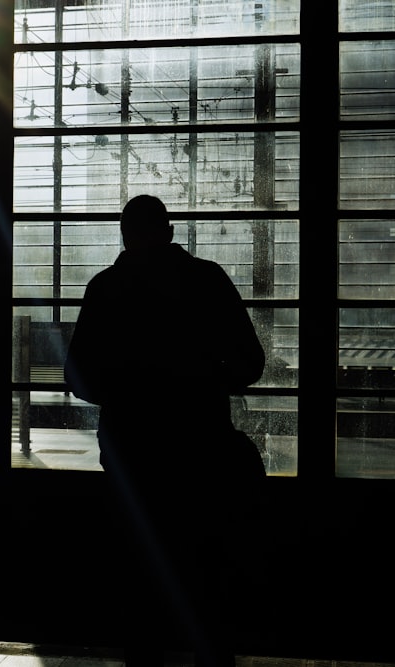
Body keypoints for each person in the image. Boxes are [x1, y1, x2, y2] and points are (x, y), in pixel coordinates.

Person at [64, 194, 266, 667]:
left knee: (139, 578)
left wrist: (127, 389)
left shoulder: (107, 288)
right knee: (205, 573)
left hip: (132, 454)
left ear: (124, 235)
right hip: (202, 454)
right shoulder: (208, 281)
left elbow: (78, 376)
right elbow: (249, 363)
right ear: (170, 232)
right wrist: (201, 378)